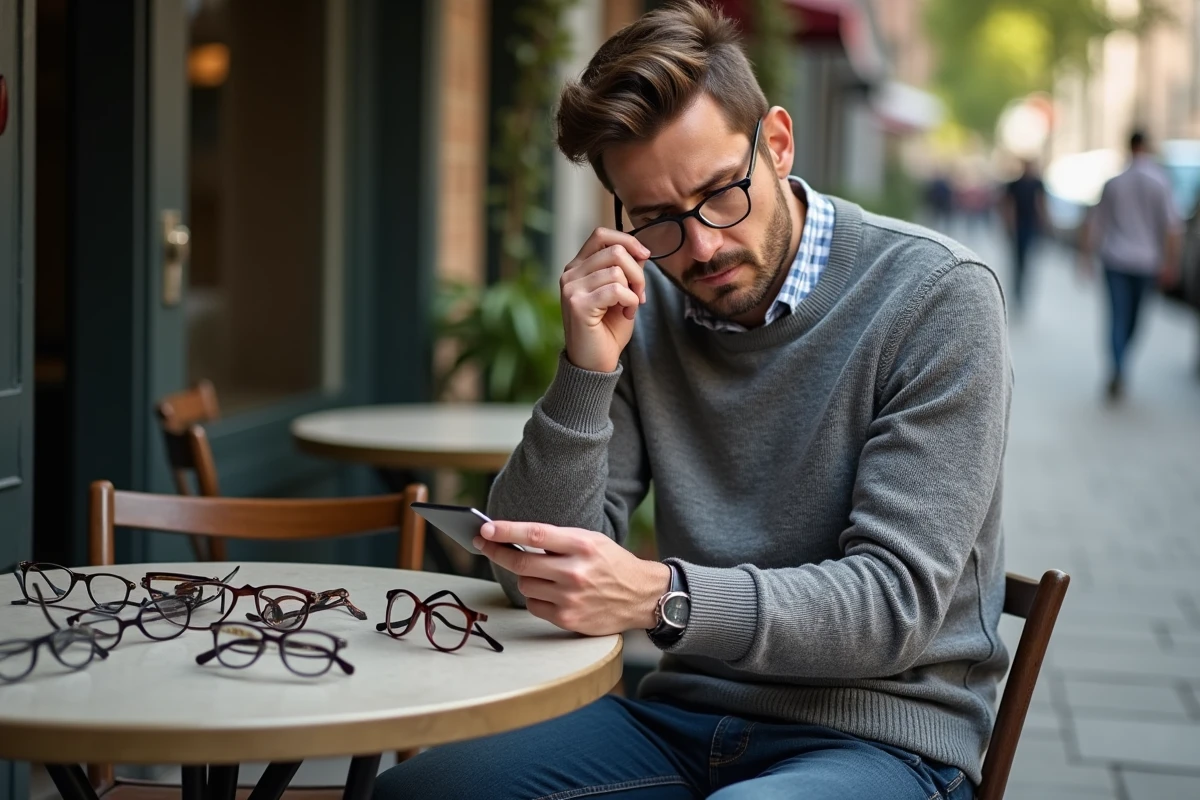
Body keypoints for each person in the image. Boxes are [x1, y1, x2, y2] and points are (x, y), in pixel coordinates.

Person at [373, 3, 1010, 799]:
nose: (701, 245)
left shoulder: (936, 297)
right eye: (657, 219)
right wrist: (584, 366)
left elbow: (892, 606)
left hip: (883, 737)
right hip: (681, 720)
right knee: (415, 793)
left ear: (776, 143)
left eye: (720, 194)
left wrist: (659, 594)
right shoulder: (646, 308)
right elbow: (532, 579)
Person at [1080, 130, 1184, 401]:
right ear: (1147, 147)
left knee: (1117, 316)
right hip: (1146, 262)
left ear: (1129, 147)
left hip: (1115, 259)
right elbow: (1172, 227)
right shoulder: (1160, 181)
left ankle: (1118, 365)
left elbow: (1096, 223)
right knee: (1135, 319)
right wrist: (1171, 262)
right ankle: (1121, 363)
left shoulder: (1114, 183)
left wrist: (1085, 257)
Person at [1001, 159, 1047, 313]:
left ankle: (1022, 290)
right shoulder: (1014, 185)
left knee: (1027, 261)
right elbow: (1008, 205)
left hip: (1030, 227)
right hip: (1019, 227)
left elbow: (1041, 203)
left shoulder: (1038, 184)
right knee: (1017, 262)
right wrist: (1009, 225)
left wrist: (1043, 222)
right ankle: (1017, 292)